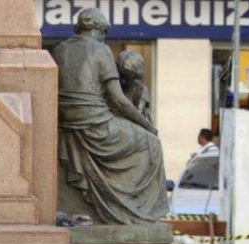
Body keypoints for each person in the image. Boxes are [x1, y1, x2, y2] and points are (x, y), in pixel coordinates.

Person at [53, 9, 169, 225]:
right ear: (98, 30)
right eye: (104, 33)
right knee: (151, 143)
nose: (103, 38)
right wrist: (146, 126)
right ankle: (136, 209)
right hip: (97, 123)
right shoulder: (101, 50)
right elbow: (119, 100)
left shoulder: (59, 49)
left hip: (69, 121)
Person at [117, 51, 152, 124]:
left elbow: (138, 116)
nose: (122, 81)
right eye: (120, 76)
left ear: (135, 75)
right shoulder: (114, 86)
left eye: (127, 78)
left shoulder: (141, 90)